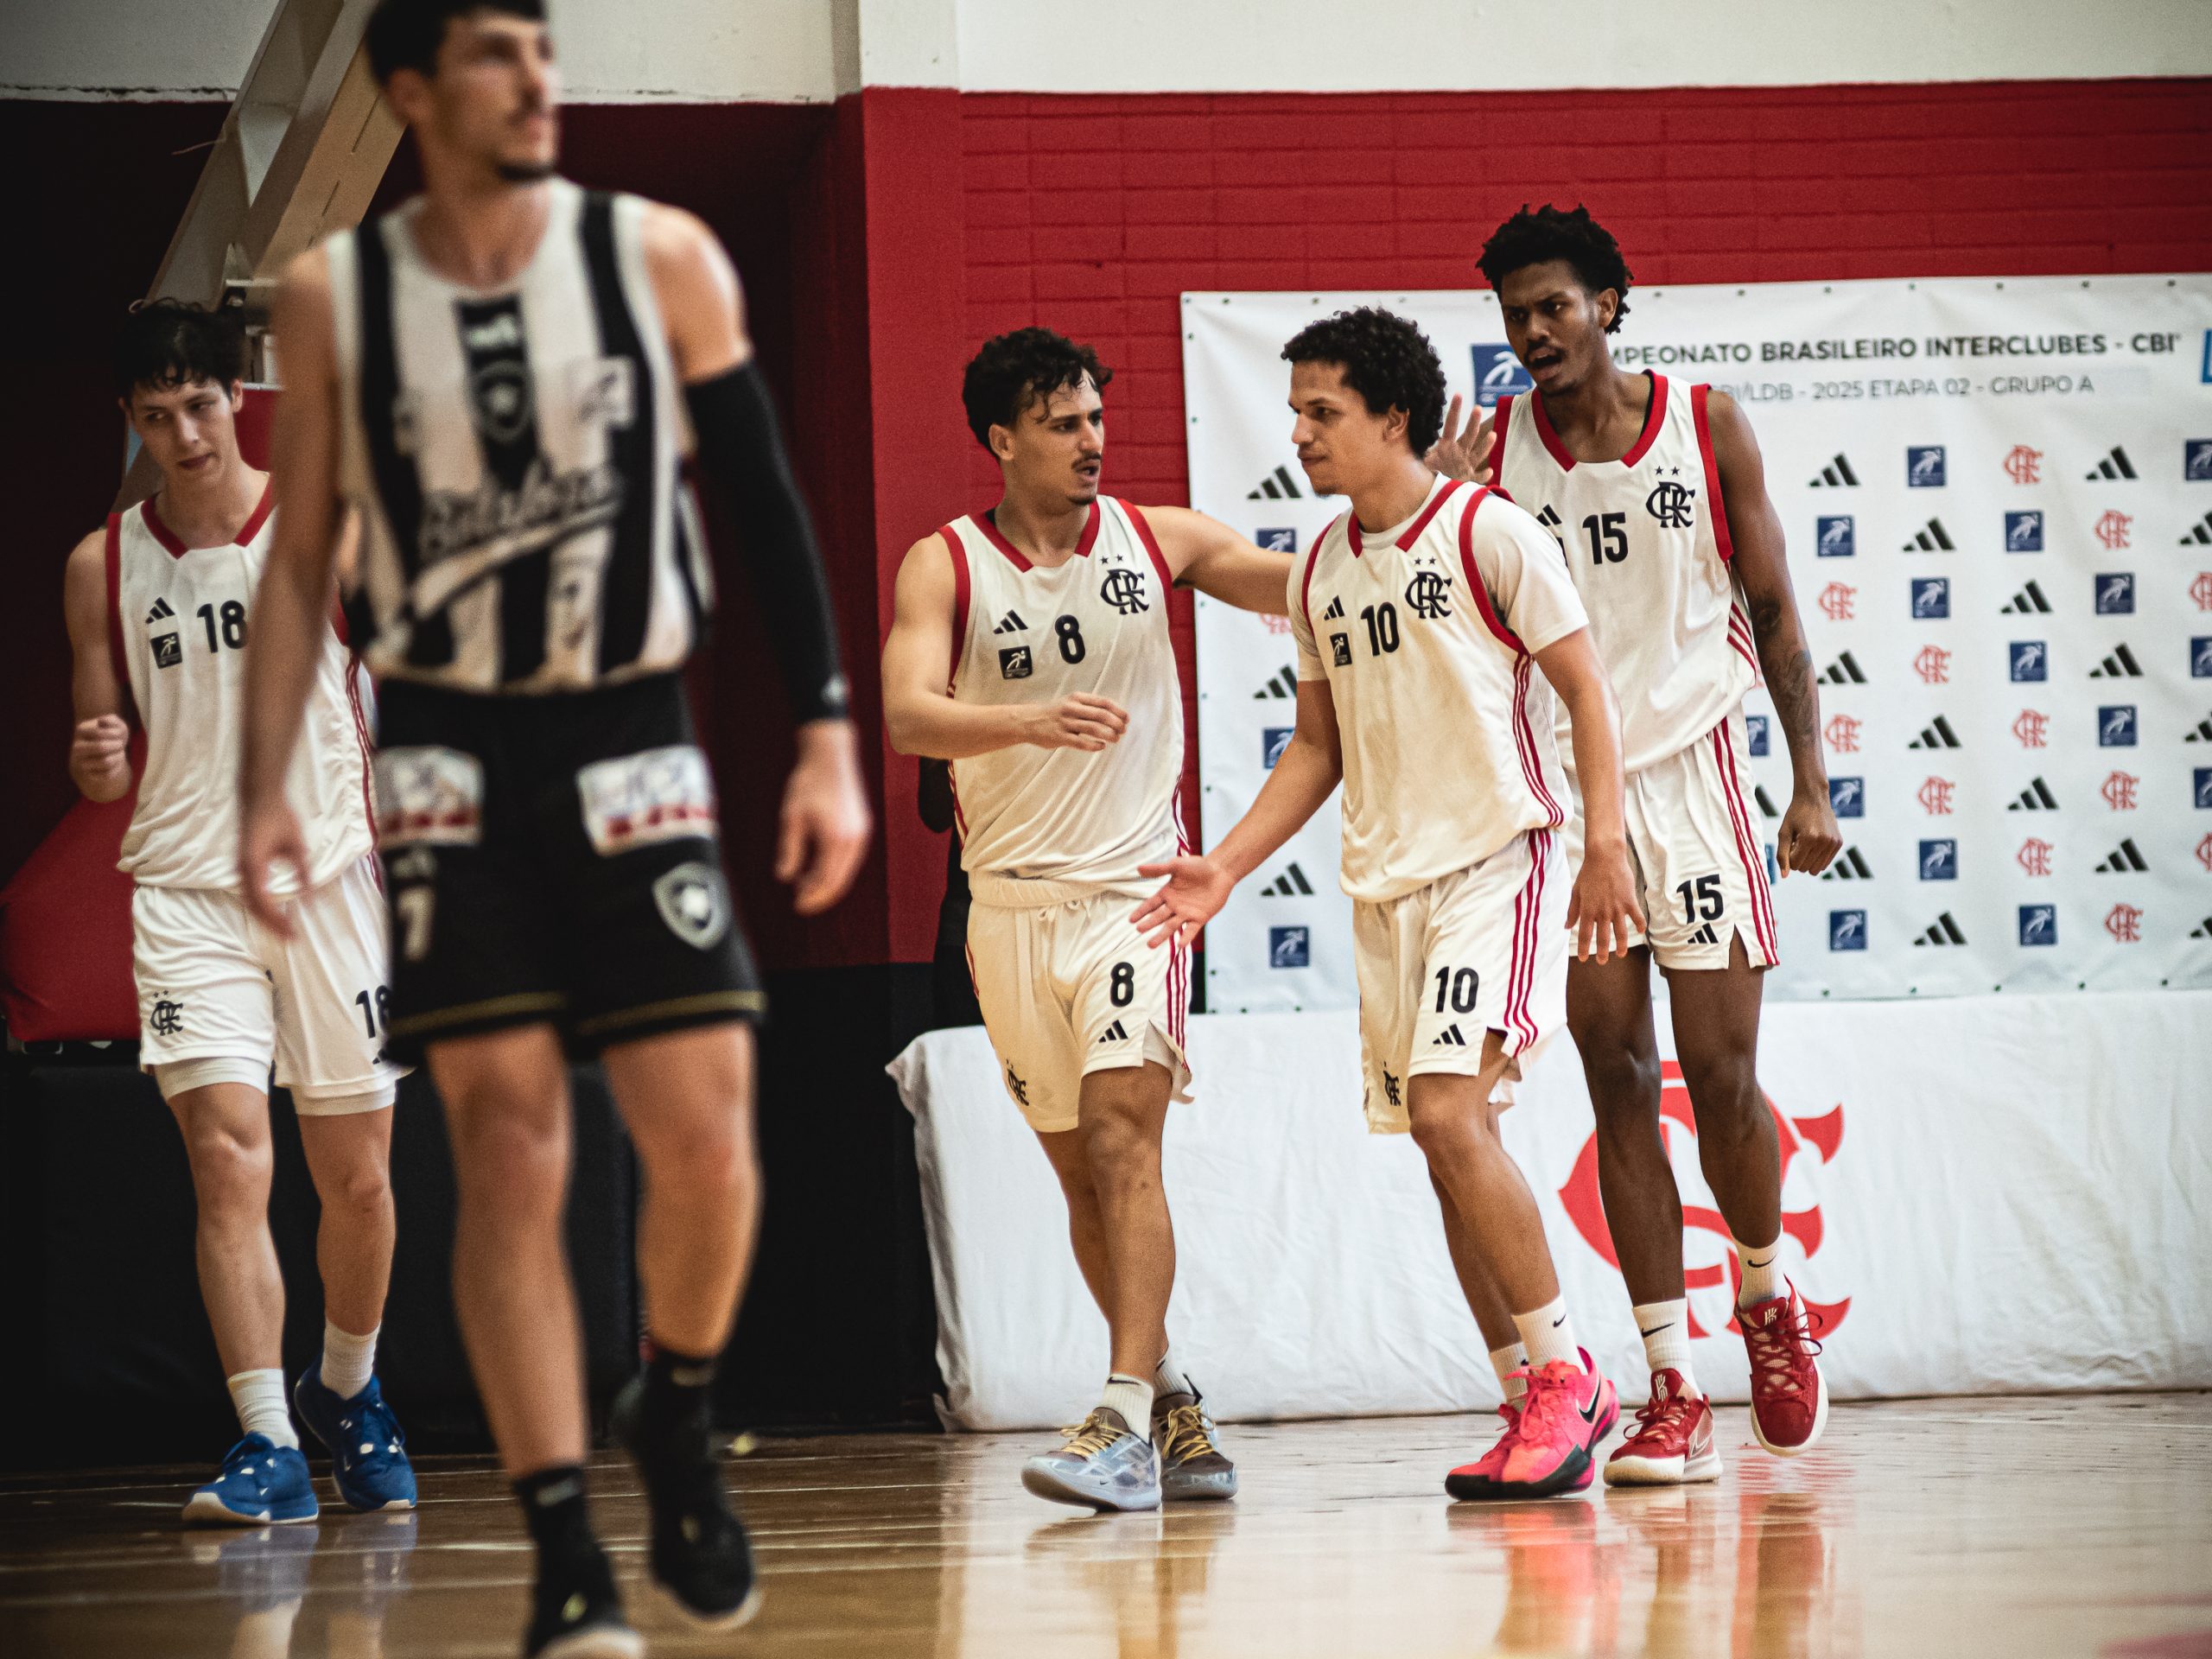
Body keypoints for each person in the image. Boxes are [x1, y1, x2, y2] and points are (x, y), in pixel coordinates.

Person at [236, 3, 871, 1653]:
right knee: (511, 1146)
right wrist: (265, 785)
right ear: (410, 91)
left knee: (708, 1131)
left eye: (544, 48)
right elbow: (297, 563)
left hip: (626, 724)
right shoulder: (338, 298)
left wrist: (824, 732)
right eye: (495, 55)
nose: (536, 80)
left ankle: (679, 1403)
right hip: (447, 750)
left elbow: (765, 503)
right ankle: (563, 1551)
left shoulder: (656, 257)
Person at [1133, 307, 1643, 1501]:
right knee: (1444, 1144)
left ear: (1393, 417)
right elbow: (1317, 745)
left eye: (1324, 412)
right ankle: (1524, 1396)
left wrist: (1607, 844)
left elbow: (1587, 688)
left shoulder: (1487, 530)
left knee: (1451, 1116)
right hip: (1388, 887)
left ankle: (1570, 1380)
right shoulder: (1319, 565)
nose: (1300, 434)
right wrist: (1228, 866)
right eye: (1295, 412)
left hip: (1497, 863)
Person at [1428, 204, 1840, 1484]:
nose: (1534, 331)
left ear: (1608, 302)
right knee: (1614, 1075)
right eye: (1514, 315)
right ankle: (1671, 1385)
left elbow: (1774, 610)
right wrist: (1438, 506)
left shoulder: (1707, 425)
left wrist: (1811, 785)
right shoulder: (1493, 454)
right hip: (1569, 800)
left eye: (1554, 305)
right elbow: (1461, 630)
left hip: (1697, 779)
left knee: (1719, 1079)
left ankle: (1765, 1297)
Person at [880, 327, 1290, 1511]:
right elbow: (906, 715)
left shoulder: (1158, 541)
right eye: (1063, 424)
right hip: (1008, 910)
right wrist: (1025, 719)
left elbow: (1302, 583)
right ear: (1002, 439)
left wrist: (1423, 514)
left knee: (1122, 1142)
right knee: (1081, 1177)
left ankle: (1113, 1418)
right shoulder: (946, 565)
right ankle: (1171, 1400)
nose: (1091, 440)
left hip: (1132, 902)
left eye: (1096, 419)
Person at [62, 299, 414, 1525]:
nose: (186, 435)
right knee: (226, 1161)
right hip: (184, 887)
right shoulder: (103, 565)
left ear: (235, 397)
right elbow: (100, 755)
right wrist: (98, 756)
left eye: (201, 405)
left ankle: (348, 1388)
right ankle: (266, 1439)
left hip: (328, 875)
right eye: (157, 416)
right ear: (131, 419)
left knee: (356, 1179)